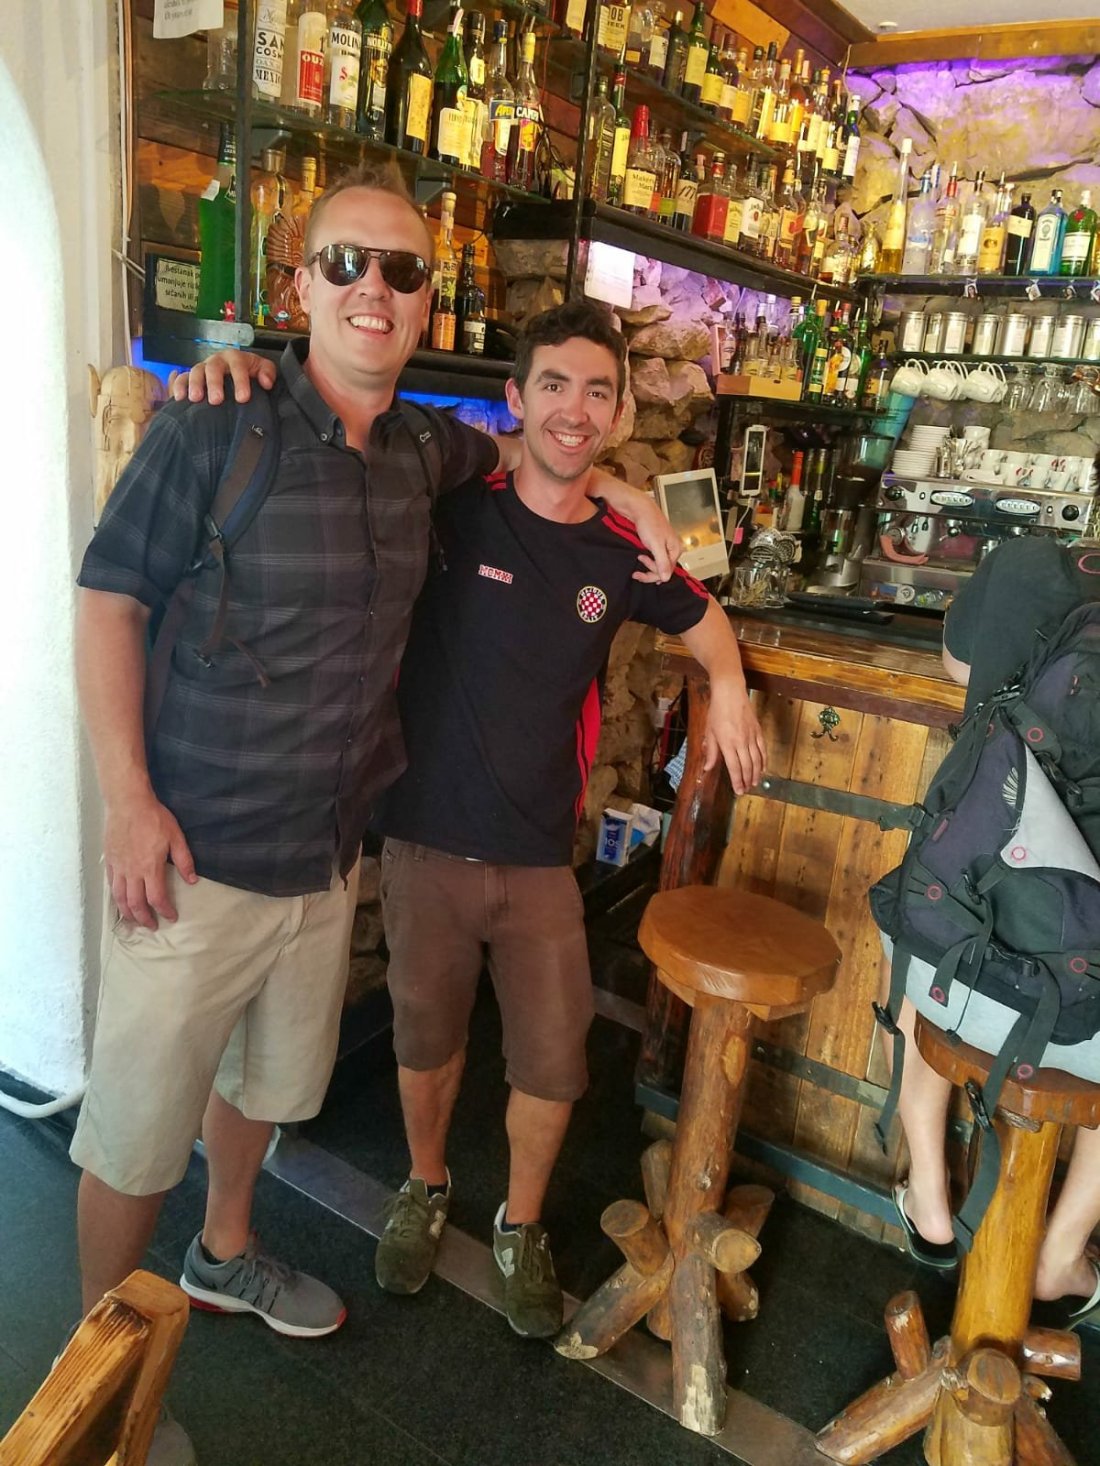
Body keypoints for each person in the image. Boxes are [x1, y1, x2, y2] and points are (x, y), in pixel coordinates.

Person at [73, 162, 678, 1460]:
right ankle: (95, 1386)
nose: (374, 289)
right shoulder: (212, 425)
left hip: (324, 858)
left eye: (402, 271)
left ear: (422, 305)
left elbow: (525, 447)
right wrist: (124, 799)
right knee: (133, 1133)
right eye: (346, 262)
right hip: (191, 853)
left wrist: (620, 489)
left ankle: (224, 1249)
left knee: (264, 1085)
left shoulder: (422, 449)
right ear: (299, 283)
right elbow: (110, 600)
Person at [362, 300, 766, 1338]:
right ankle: (424, 1183)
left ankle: (521, 1223)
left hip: (540, 858)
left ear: (621, 410)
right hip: (425, 838)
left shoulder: (624, 548)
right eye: (553, 385)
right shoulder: (457, 505)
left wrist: (728, 687)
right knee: (424, 1043)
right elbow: (373, 426)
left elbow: (703, 618)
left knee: (551, 1063)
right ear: (514, 396)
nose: (574, 410)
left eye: (596, 391)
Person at [886, 534, 1100, 1326]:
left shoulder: (1023, 563)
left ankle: (931, 1199)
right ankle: (1059, 1254)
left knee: (917, 931)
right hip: (1085, 1013)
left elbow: (957, 665)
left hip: (959, 967)